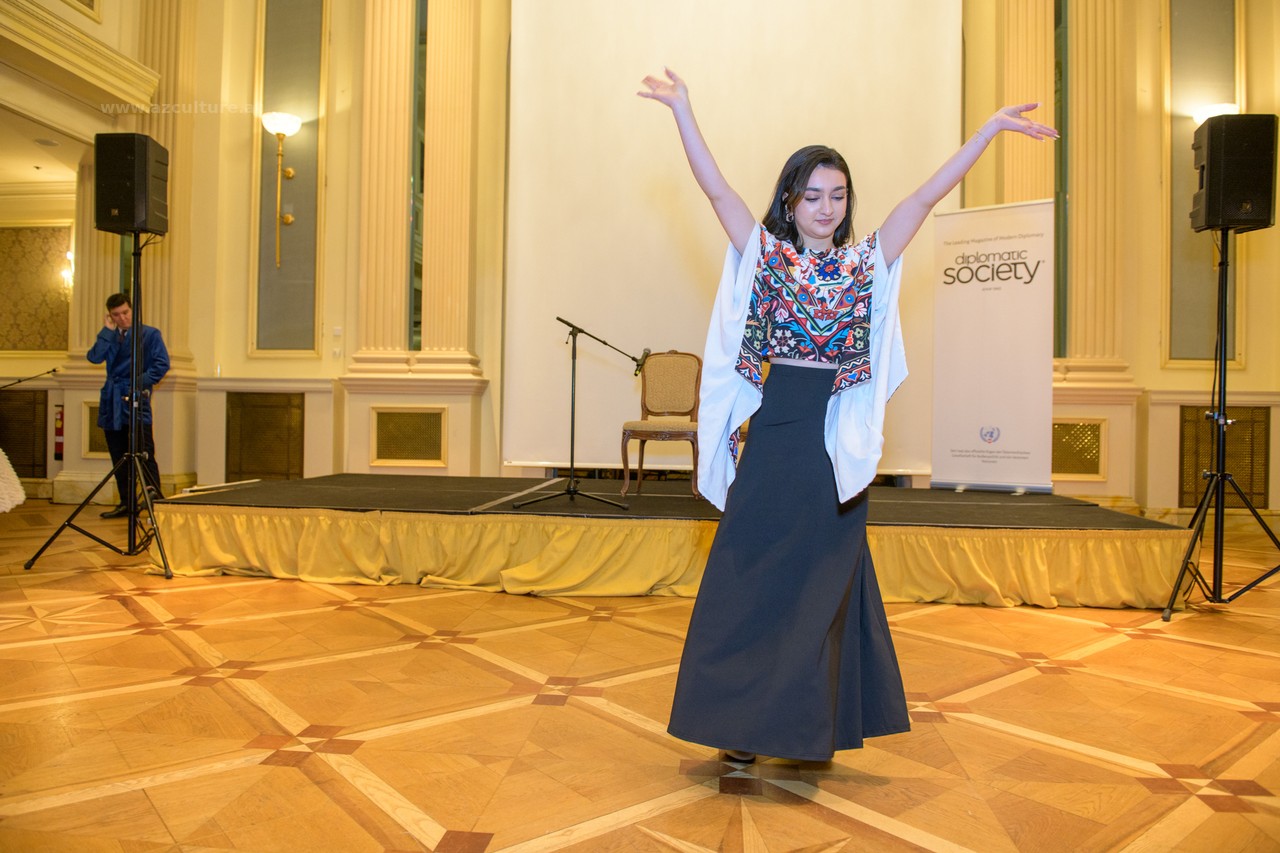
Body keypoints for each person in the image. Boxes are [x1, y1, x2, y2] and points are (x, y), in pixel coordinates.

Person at [639, 68, 1057, 763]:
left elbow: (923, 198)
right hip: (774, 440)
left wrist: (987, 132)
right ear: (791, 201)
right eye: (813, 195)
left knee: (820, 594)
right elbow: (717, 191)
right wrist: (683, 110)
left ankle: (801, 729)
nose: (826, 207)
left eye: (837, 195)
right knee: (748, 582)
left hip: (832, 448)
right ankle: (739, 730)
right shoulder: (767, 257)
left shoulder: (867, 265)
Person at [87, 292, 170, 518]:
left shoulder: (149, 334)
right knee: (118, 455)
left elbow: (162, 364)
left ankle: (155, 501)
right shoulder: (110, 336)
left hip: (134, 399)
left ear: (132, 310)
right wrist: (107, 331)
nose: (122, 318)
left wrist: (137, 382)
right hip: (111, 402)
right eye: (116, 315)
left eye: (125, 312)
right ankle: (127, 502)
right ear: (110, 316)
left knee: (144, 454)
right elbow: (94, 357)